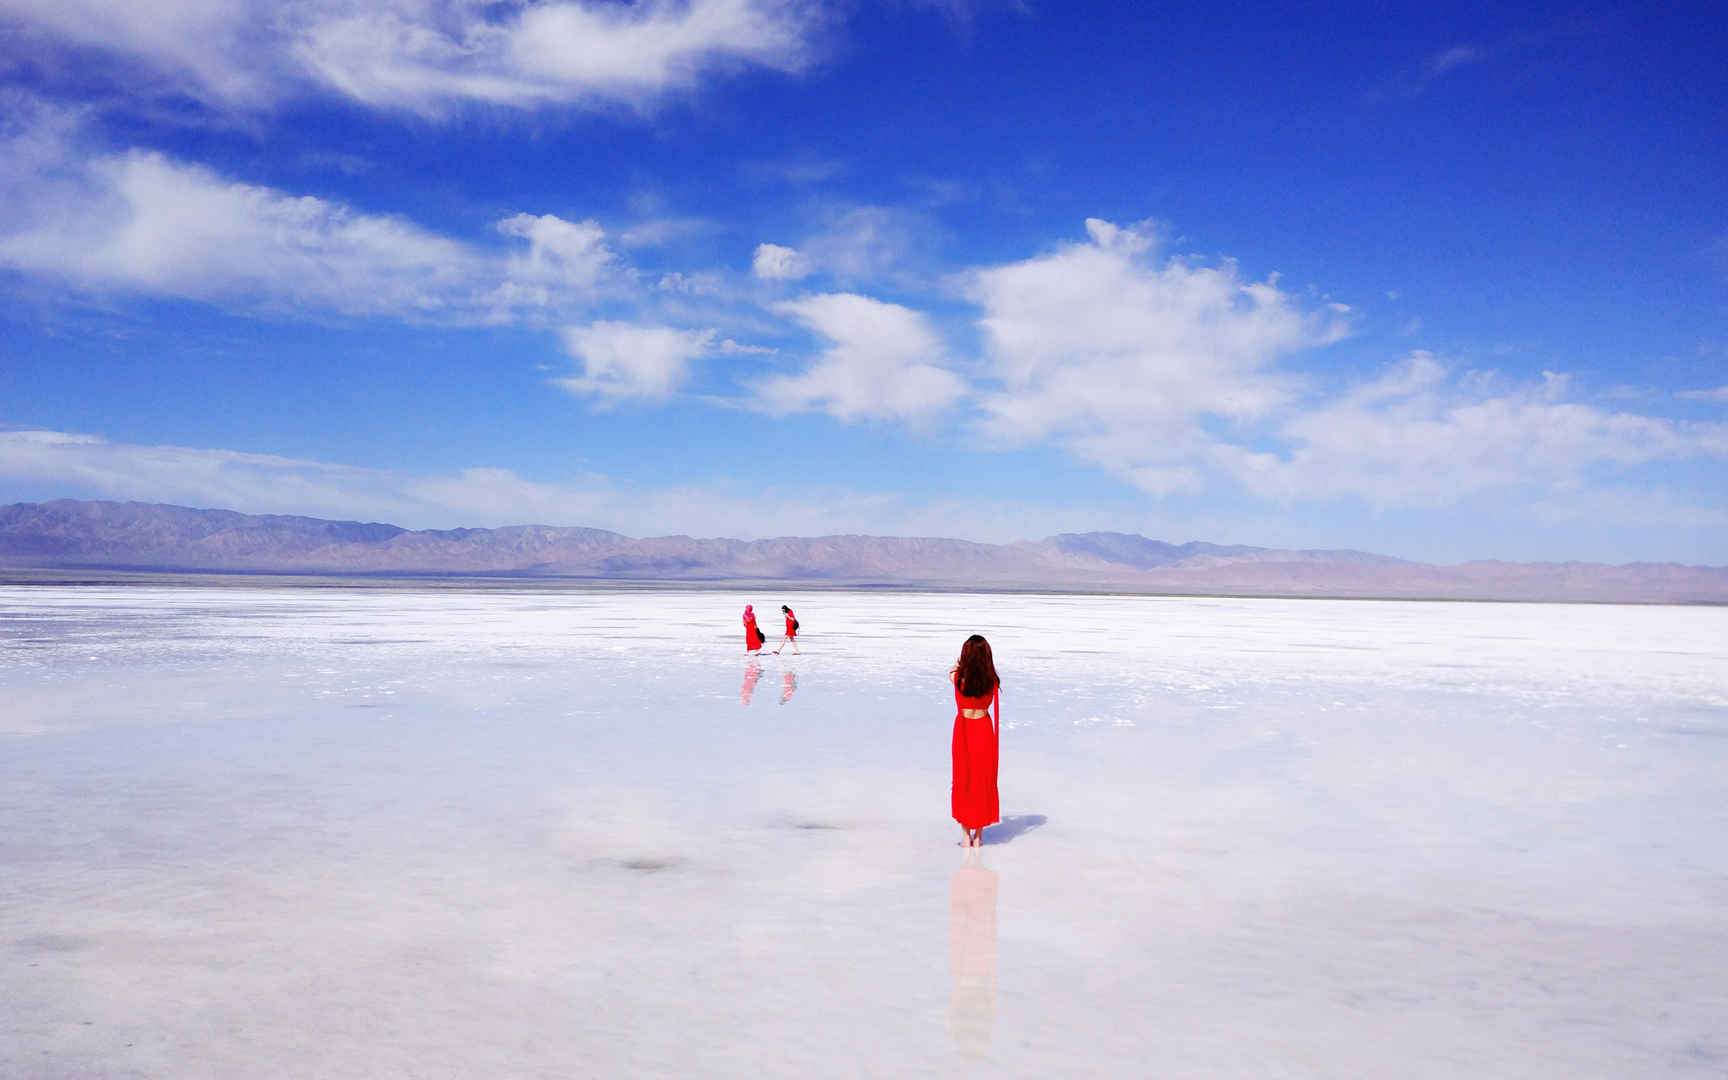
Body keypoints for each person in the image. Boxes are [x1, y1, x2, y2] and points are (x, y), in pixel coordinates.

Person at [949, 634, 1000, 848]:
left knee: (963, 778)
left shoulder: (957, 676)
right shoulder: (992, 680)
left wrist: (965, 662)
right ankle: (978, 836)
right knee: (982, 779)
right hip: (983, 729)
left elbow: (954, 668)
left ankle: (965, 836)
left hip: (963, 729)